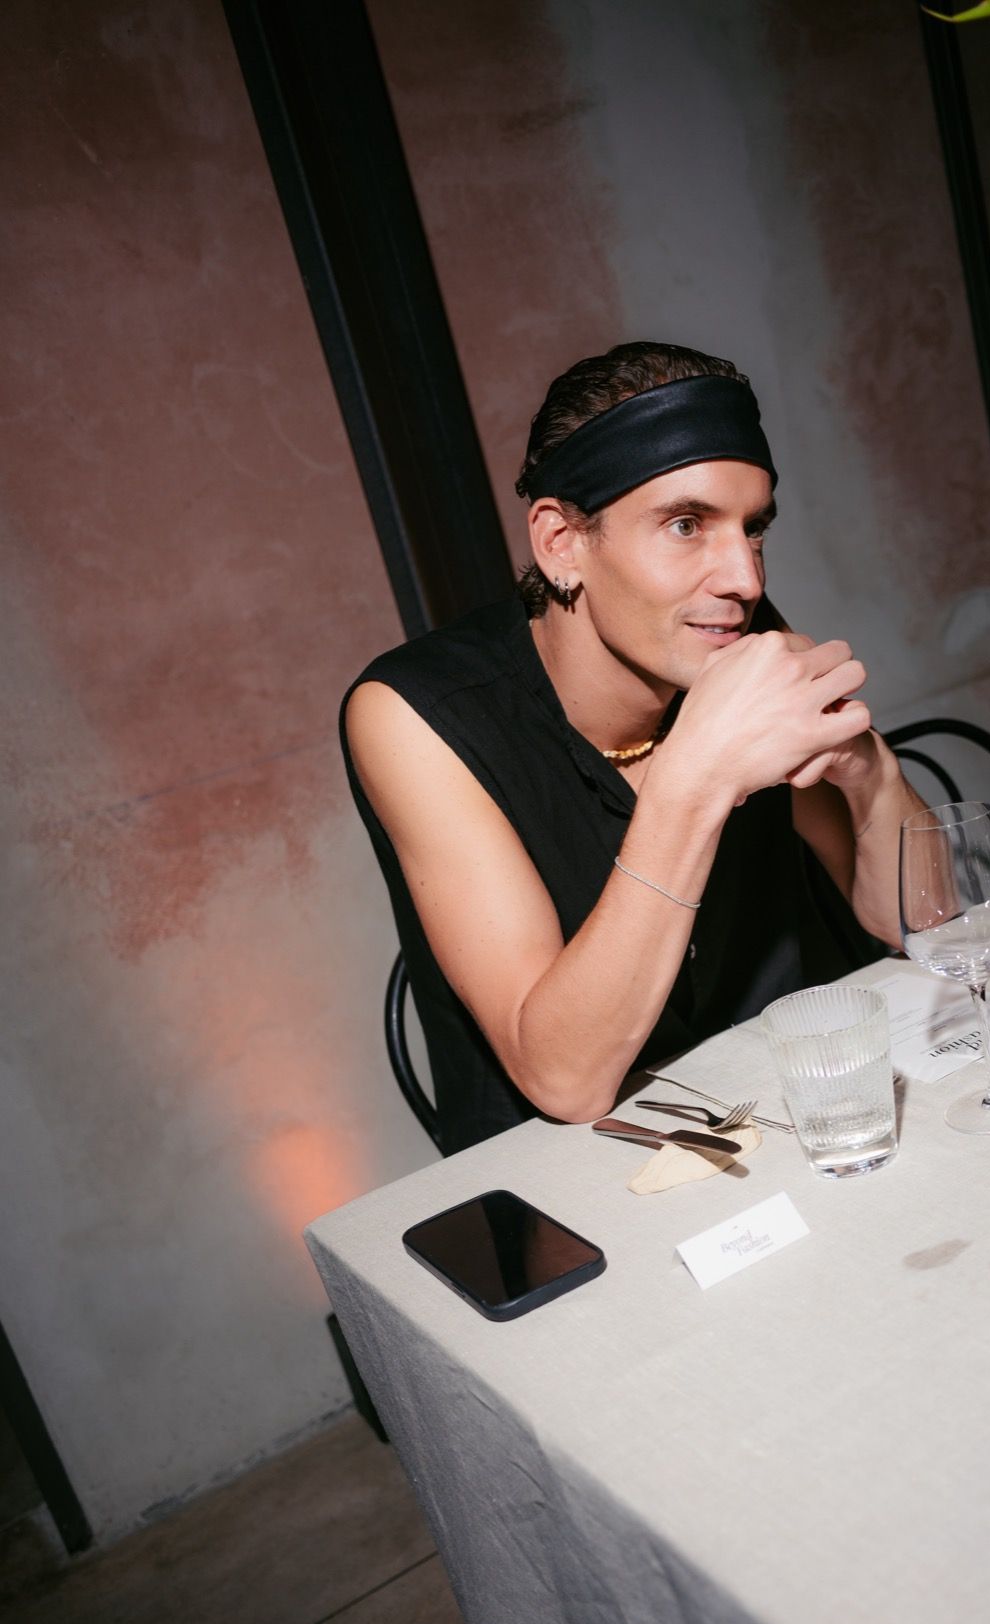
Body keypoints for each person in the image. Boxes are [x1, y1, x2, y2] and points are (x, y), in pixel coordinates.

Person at [342, 340, 923, 1153]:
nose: (745, 579)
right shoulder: (413, 714)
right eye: (686, 525)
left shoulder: (727, 634)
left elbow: (922, 925)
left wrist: (870, 771)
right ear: (562, 542)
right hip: (571, 1177)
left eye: (753, 529)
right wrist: (695, 778)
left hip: (786, 1115)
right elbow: (567, 1080)